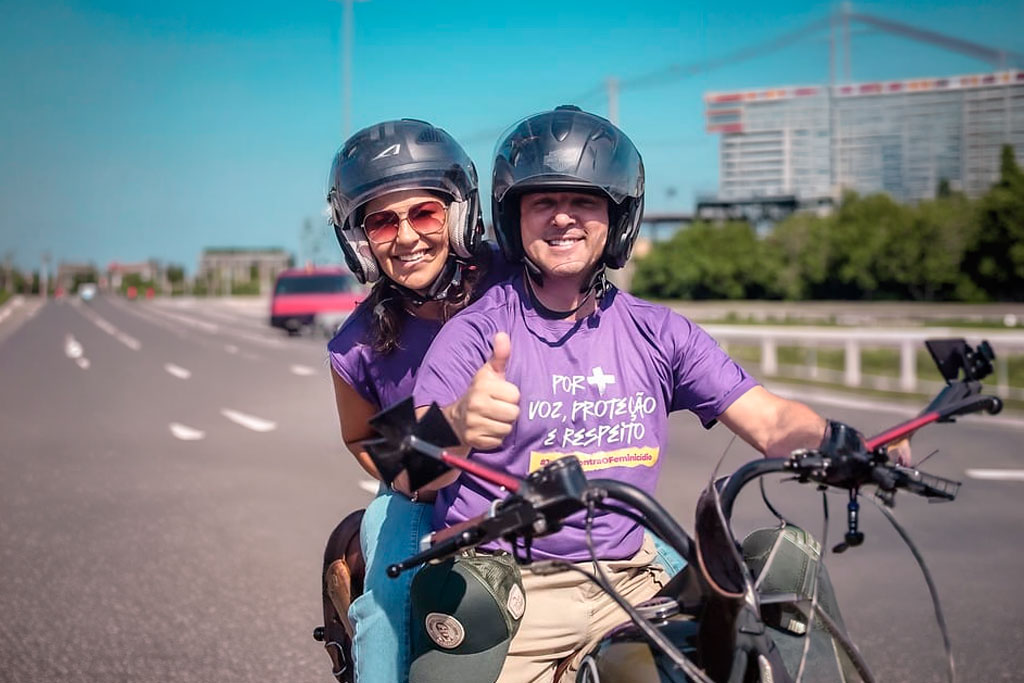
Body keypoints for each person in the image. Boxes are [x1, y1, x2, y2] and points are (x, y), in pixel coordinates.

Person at [411, 106, 904, 682]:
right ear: (514, 216)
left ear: (616, 218)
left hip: (630, 583)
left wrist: (852, 447)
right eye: (543, 201)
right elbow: (414, 472)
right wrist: (460, 425)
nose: (563, 219)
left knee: (771, 594)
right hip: (514, 591)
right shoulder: (472, 334)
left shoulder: (660, 331)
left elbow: (769, 421)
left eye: (586, 202)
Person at [324, 117, 505, 683]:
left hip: (540, 470)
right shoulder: (354, 346)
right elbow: (363, 440)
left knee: (671, 570)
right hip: (423, 493)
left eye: (423, 213)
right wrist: (432, 453)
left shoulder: (516, 279)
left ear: (458, 213)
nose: (405, 237)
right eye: (381, 221)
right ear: (360, 239)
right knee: (386, 604)